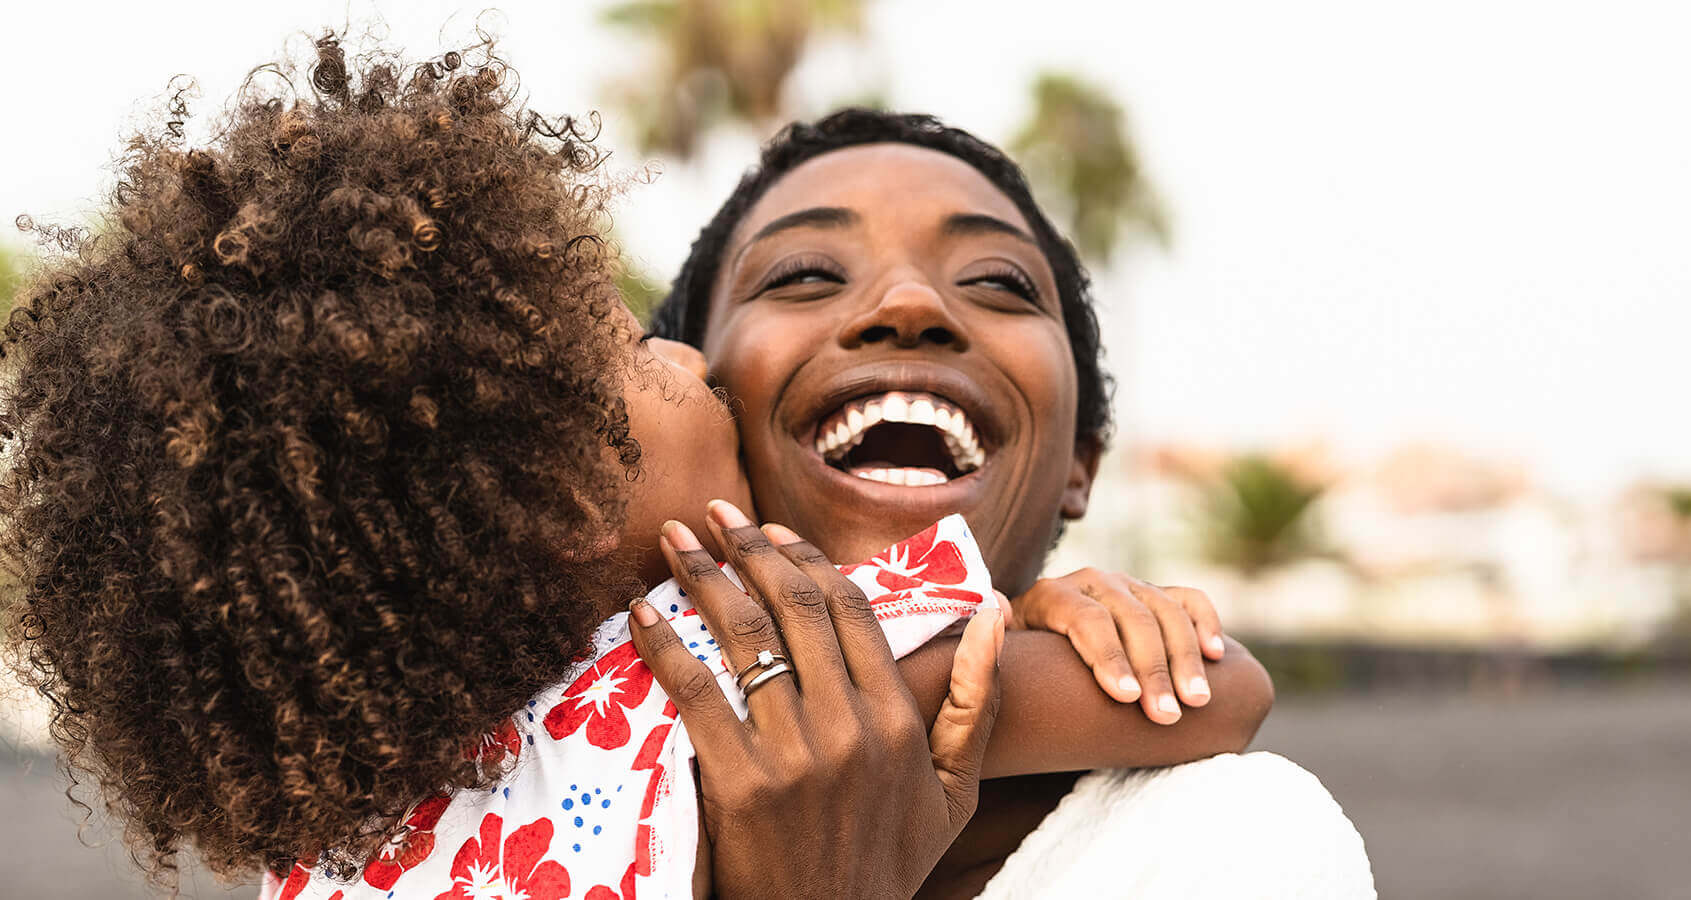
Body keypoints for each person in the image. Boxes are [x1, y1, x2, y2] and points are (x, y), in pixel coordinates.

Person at [0, 33, 1295, 899]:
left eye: (996, 281)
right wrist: (1064, 629)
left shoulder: (369, 847)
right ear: (558, 503)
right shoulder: (738, 660)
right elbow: (1210, 695)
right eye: (633, 352)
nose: (685, 370)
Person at [651, 108, 1375, 897]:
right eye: (804, 275)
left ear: (1079, 464)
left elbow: (1232, 687)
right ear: (687, 395)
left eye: (997, 281)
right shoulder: (509, 749)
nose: (908, 304)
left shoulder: (1228, 842)